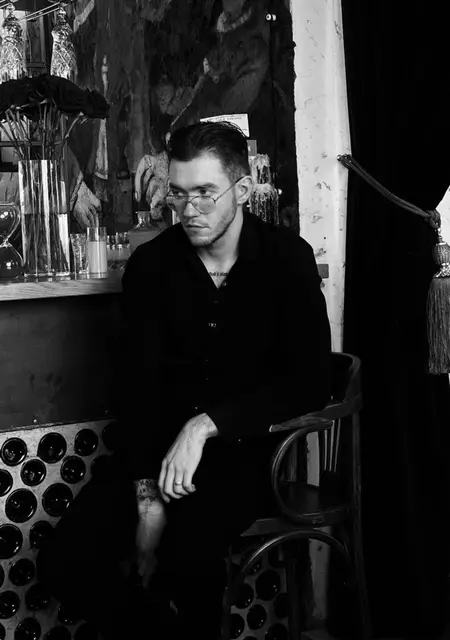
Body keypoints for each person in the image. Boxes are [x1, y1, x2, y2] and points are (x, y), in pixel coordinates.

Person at [37, 121, 331, 640]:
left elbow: (310, 379)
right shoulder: (152, 266)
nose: (188, 209)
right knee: (64, 561)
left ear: (243, 189)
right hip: (152, 454)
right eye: (178, 193)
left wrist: (205, 426)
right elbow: (135, 388)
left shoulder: (287, 258)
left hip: (246, 457)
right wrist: (146, 496)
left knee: (185, 555)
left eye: (204, 193)